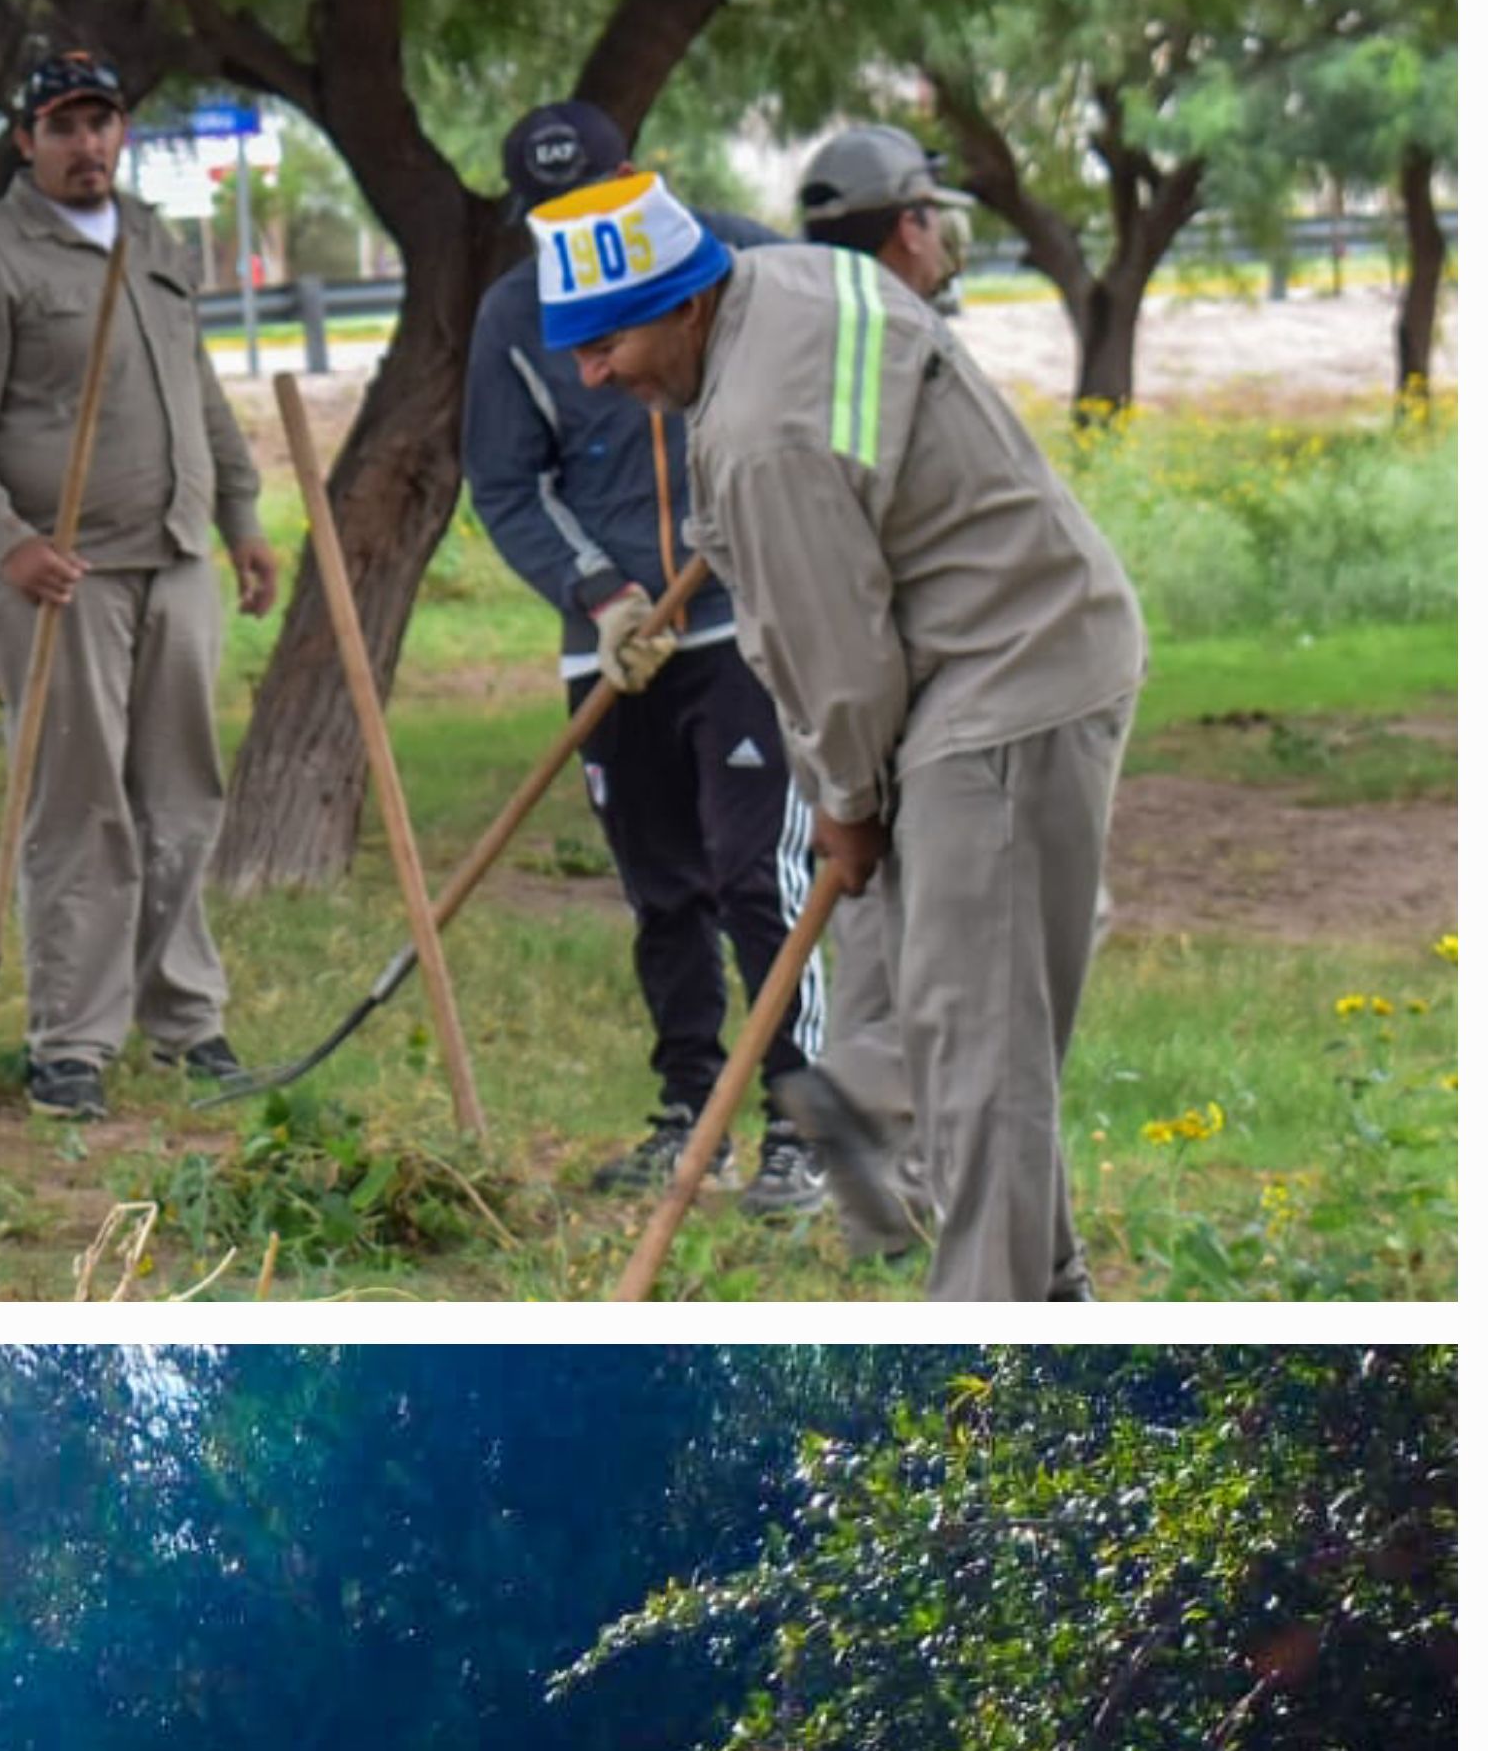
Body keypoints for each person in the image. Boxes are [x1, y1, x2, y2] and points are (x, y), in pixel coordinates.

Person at [533, 165, 1146, 1300]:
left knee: (979, 1035)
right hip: (950, 665)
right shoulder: (786, 286)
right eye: (575, 348)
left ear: (683, 301)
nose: (592, 374)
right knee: (936, 994)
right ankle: (993, 1241)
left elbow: (837, 654)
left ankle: (996, 1321)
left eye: (607, 343)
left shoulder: (764, 436)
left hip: (1008, 666)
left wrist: (849, 806)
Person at [462, 99, 827, 1216]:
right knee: (663, 890)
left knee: (758, 877)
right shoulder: (512, 316)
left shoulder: (742, 266)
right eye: (551, 217)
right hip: (619, 651)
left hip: (746, 631)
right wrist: (602, 596)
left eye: (598, 204)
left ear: (640, 182)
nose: (576, 232)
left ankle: (807, 1129)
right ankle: (690, 1118)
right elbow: (506, 481)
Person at [0, 51, 280, 1122]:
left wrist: (243, 517)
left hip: (175, 563)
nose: (88, 145)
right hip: (61, 580)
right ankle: (70, 1043)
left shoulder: (156, 242)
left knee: (180, 800)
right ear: (26, 140)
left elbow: (199, 390)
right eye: (64, 126)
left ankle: (186, 1024)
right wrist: (6, 546)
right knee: (80, 809)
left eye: (103, 122)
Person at [769, 121, 987, 1263]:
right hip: (922, 669)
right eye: (935, 218)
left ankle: (881, 1194)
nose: (944, 240)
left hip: (831, 667)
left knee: (874, 913)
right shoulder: (897, 332)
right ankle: (868, 1104)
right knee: (1001, 907)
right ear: (908, 226)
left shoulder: (799, 329)